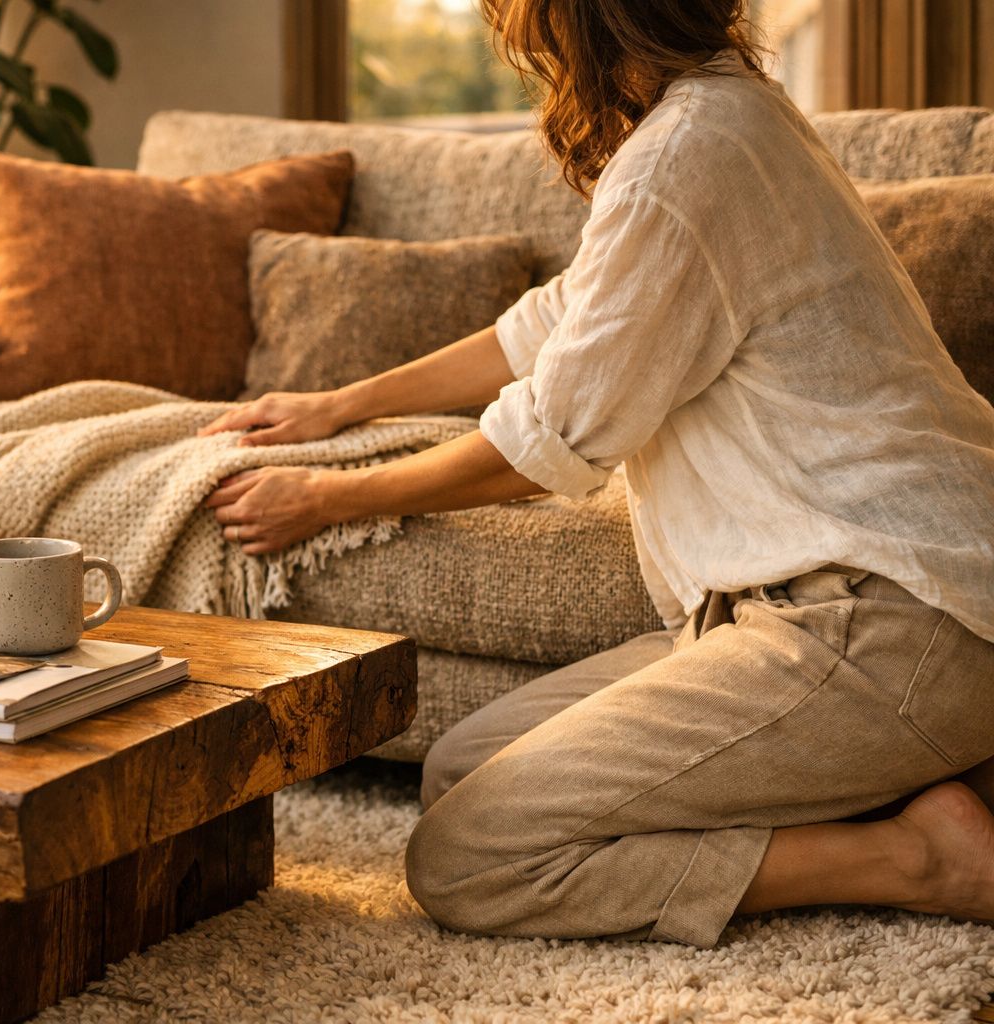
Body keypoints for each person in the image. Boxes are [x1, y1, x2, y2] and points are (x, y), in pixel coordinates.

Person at [196, 0, 994, 947]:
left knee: (470, 856)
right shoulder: (724, 115)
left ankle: (922, 856)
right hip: (792, 612)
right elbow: (556, 318)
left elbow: (553, 437)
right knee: (463, 771)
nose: (511, 34)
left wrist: (331, 497)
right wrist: (339, 405)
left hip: (891, 619)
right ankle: (906, 779)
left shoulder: (689, 154)